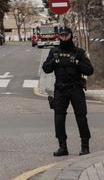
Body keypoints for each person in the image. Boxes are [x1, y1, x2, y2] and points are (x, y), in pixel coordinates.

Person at [42, 26, 93, 156]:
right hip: (60, 89)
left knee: (81, 117)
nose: (64, 37)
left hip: (76, 88)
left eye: (66, 35)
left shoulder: (78, 52)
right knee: (59, 118)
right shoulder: (54, 51)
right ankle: (62, 146)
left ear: (71, 36)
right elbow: (46, 69)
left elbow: (89, 70)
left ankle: (85, 146)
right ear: (59, 36)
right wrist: (53, 61)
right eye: (62, 35)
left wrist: (77, 63)